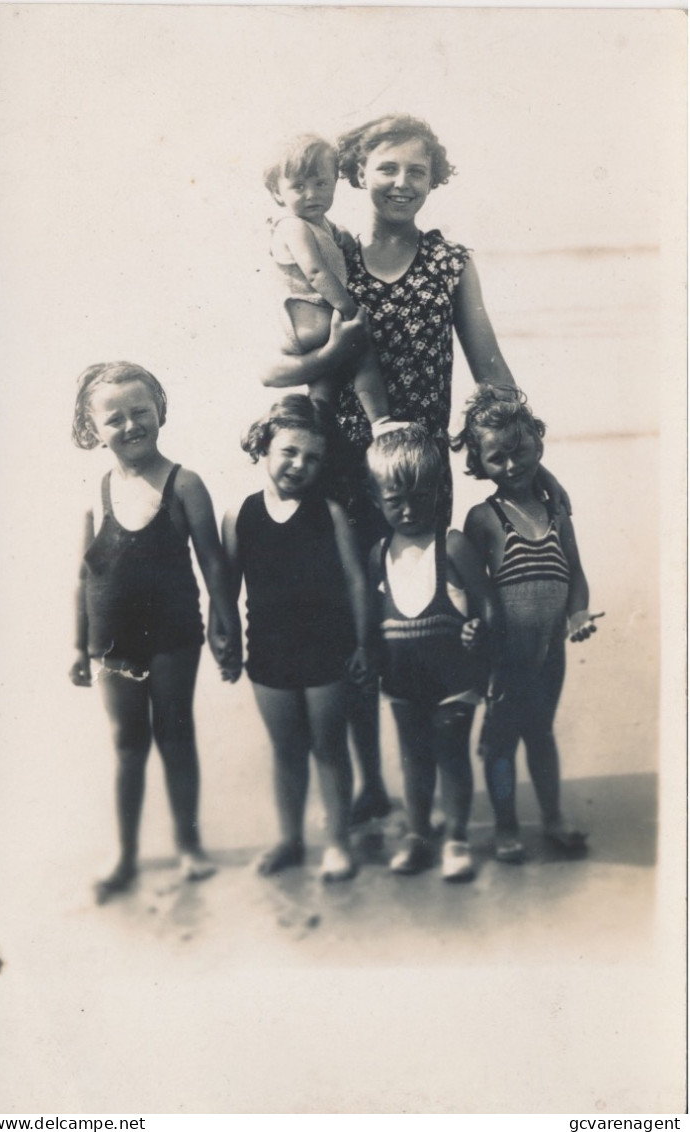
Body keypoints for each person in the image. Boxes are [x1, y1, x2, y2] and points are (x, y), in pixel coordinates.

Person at [261, 113, 527, 826]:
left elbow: (490, 368)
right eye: (387, 167)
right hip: (343, 465)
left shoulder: (450, 261)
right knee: (354, 627)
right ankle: (371, 785)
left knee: (429, 621)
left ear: (435, 178)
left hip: (418, 472)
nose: (402, 181)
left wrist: (519, 456)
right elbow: (278, 366)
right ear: (357, 174)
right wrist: (330, 357)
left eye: (417, 169)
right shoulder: (328, 250)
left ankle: (433, 786)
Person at [69, 361, 241, 903]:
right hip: (111, 641)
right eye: (114, 418)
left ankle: (188, 846)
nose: (130, 425)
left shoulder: (184, 483)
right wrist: (78, 645)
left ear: (160, 410)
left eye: (140, 411)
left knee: (175, 733)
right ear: (93, 430)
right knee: (127, 745)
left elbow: (215, 565)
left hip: (173, 634)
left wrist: (225, 625)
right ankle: (124, 854)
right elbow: (84, 574)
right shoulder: (93, 493)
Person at [218, 395, 369, 882]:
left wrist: (365, 644)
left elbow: (356, 584)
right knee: (285, 751)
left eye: (312, 457)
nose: (299, 464)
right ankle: (289, 839)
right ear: (264, 445)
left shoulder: (329, 513)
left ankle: (339, 843)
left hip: (328, 651)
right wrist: (221, 640)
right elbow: (226, 589)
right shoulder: (240, 515)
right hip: (268, 653)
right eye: (289, 451)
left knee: (329, 747)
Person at [452, 385, 601, 862]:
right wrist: (472, 629)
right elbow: (474, 590)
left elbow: (575, 574)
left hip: (549, 649)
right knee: (501, 740)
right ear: (479, 465)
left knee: (542, 732)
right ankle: (506, 827)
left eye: (519, 451)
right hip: (504, 653)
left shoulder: (558, 513)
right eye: (497, 459)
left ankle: (554, 818)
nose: (512, 465)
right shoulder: (484, 518)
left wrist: (578, 613)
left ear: (538, 444)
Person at [366, 425, 503, 880]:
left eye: (420, 498)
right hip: (401, 681)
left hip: (454, 680)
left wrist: (479, 631)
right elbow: (368, 616)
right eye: (394, 501)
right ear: (376, 498)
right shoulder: (377, 553)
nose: (408, 511)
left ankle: (458, 838)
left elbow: (487, 604)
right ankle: (417, 834)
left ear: (440, 492)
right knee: (414, 758)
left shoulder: (455, 545)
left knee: (451, 754)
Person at [263, 133, 393, 431]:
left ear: (334, 182)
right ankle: (381, 420)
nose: (311, 194)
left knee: (324, 378)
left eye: (321, 184)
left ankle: (319, 425)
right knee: (362, 349)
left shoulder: (318, 223)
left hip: (308, 325)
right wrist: (348, 309)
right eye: (298, 186)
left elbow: (334, 237)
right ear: (278, 192)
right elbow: (316, 273)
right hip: (312, 316)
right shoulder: (292, 226)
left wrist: (342, 235)